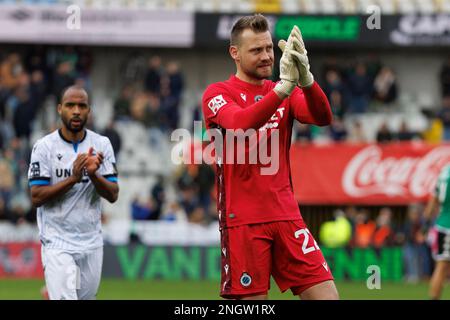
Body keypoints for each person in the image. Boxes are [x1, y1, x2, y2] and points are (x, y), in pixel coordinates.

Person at [201, 14, 337, 300]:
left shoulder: (282, 90)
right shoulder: (217, 93)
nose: (266, 57)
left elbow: (323, 117)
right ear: (234, 53)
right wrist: (283, 89)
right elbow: (239, 123)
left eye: (268, 49)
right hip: (244, 221)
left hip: (287, 216)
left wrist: (307, 80)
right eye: (256, 50)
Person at [28, 85, 119, 300]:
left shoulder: (102, 144)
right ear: (60, 109)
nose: (76, 110)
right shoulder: (44, 147)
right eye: (70, 105)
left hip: (91, 242)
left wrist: (94, 175)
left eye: (82, 106)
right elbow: (36, 196)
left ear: (89, 111)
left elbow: (113, 194)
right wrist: (73, 179)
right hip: (57, 241)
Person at [424, 164, 450, 299]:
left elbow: (434, 199)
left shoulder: (445, 171)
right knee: (442, 268)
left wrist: (425, 223)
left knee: (441, 267)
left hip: (442, 225)